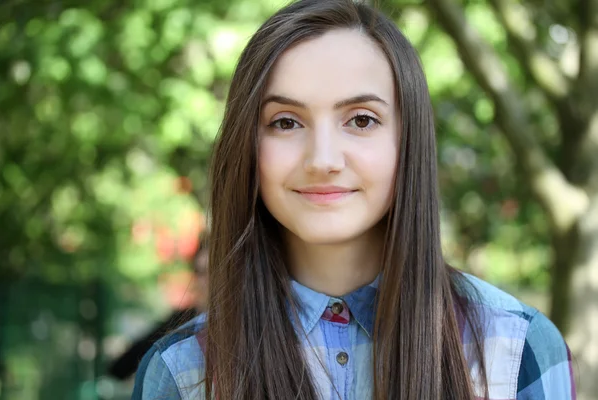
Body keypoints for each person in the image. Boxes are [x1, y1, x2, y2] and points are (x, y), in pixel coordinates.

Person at [132, 1, 576, 399]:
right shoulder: (184, 371)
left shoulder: (516, 349)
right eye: (286, 122)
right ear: (247, 144)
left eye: (361, 119)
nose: (322, 159)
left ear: (408, 141)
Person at [108, 234, 209, 381]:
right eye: (201, 272)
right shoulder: (182, 321)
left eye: (210, 272)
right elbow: (125, 363)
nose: (205, 282)